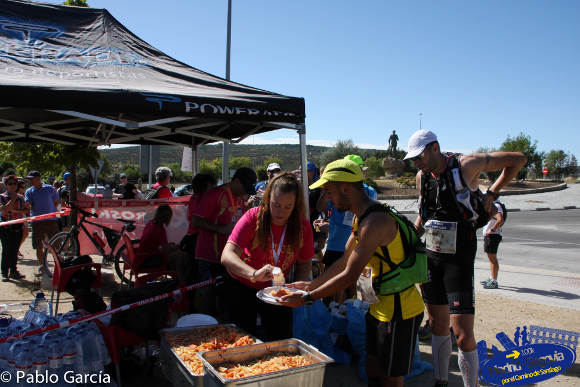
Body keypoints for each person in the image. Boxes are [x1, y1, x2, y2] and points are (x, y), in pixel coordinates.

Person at [280, 159, 424, 387]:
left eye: (328, 191)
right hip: (377, 306)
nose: (327, 198)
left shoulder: (375, 222)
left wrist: (307, 298)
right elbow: (343, 261)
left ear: (345, 188)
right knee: (372, 367)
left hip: (399, 311)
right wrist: (310, 285)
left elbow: (349, 274)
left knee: (391, 376)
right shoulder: (362, 217)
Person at [405, 129, 527, 387]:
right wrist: (407, 239)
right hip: (432, 256)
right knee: (438, 326)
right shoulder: (421, 177)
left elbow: (518, 159)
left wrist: (492, 194)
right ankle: (441, 381)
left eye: (419, 156)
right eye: (413, 159)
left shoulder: (467, 165)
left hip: (458, 259)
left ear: (434, 148)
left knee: (462, 335)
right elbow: (424, 214)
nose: (416, 163)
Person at [221, 172, 314, 341]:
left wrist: (297, 290)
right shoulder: (253, 217)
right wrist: (253, 274)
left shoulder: (302, 226)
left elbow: (304, 262)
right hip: (243, 286)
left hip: (278, 291)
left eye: (288, 207)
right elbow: (227, 255)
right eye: (276, 205)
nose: (281, 212)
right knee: (242, 340)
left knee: (280, 340)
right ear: (267, 199)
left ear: (296, 205)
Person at [192, 167, 257, 318]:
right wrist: (220, 229)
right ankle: (203, 330)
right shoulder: (214, 195)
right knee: (206, 297)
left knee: (226, 297)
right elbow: (196, 220)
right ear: (236, 181)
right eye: (244, 188)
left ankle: (223, 329)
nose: (245, 193)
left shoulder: (239, 196)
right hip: (208, 256)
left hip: (228, 257)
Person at [136, 204, 192, 282]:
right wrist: (175, 247)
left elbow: (160, 246)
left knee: (180, 255)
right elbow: (164, 248)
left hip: (143, 256)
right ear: (166, 217)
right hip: (149, 258)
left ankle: (180, 281)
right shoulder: (159, 229)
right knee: (182, 257)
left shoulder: (151, 223)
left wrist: (171, 247)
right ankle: (181, 282)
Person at [24, 170, 60, 276]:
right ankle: (41, 266)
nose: (30, 180)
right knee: (38, 245)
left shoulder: (50, 188)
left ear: (38, 178)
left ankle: (58, 265)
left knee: (55, 244)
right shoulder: (29, 191)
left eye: (32, 178)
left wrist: (55, 214)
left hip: (51, 221)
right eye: (29, 179)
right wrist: (29, 205)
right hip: (37, 222)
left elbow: (56, 202)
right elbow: (28, 204)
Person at [183, 173, 218, 257]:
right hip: (198, 239)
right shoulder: (203, 199)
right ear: (205, 187)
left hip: (192, 238)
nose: (215, 189)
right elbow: (198, 221)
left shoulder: (194, 198)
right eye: (213, 186)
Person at [0, 174, 27, 281]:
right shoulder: (2, 197)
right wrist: (13, 199)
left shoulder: (21, 198)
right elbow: (5, 210)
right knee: (7, 250)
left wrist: (15, 211)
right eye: (10, 183)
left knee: (15, 250)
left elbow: (26, 211)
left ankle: (13, 271)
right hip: (5, 227)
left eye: (14, 183)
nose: (12, 186)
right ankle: (4, 273)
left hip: (18, 226)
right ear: (6, 185)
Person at [481, 201, 505, 289]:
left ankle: (494, 281)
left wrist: (492, 230)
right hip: (492, 236)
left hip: (493, 236)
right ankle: (492, 278)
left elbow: (500, 219)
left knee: (493, 259)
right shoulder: (496, 205)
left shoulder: (496, 206)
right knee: (491, 259)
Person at [16, 180, 29, 259]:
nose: (24, 188)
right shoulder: (16, 196)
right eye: (22, 187)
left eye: (24, 187)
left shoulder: (22, 195)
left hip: (23, 216)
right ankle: (15, 249)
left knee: (25, 233)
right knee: (23, 233)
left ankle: (16, 249)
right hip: (17, 217)